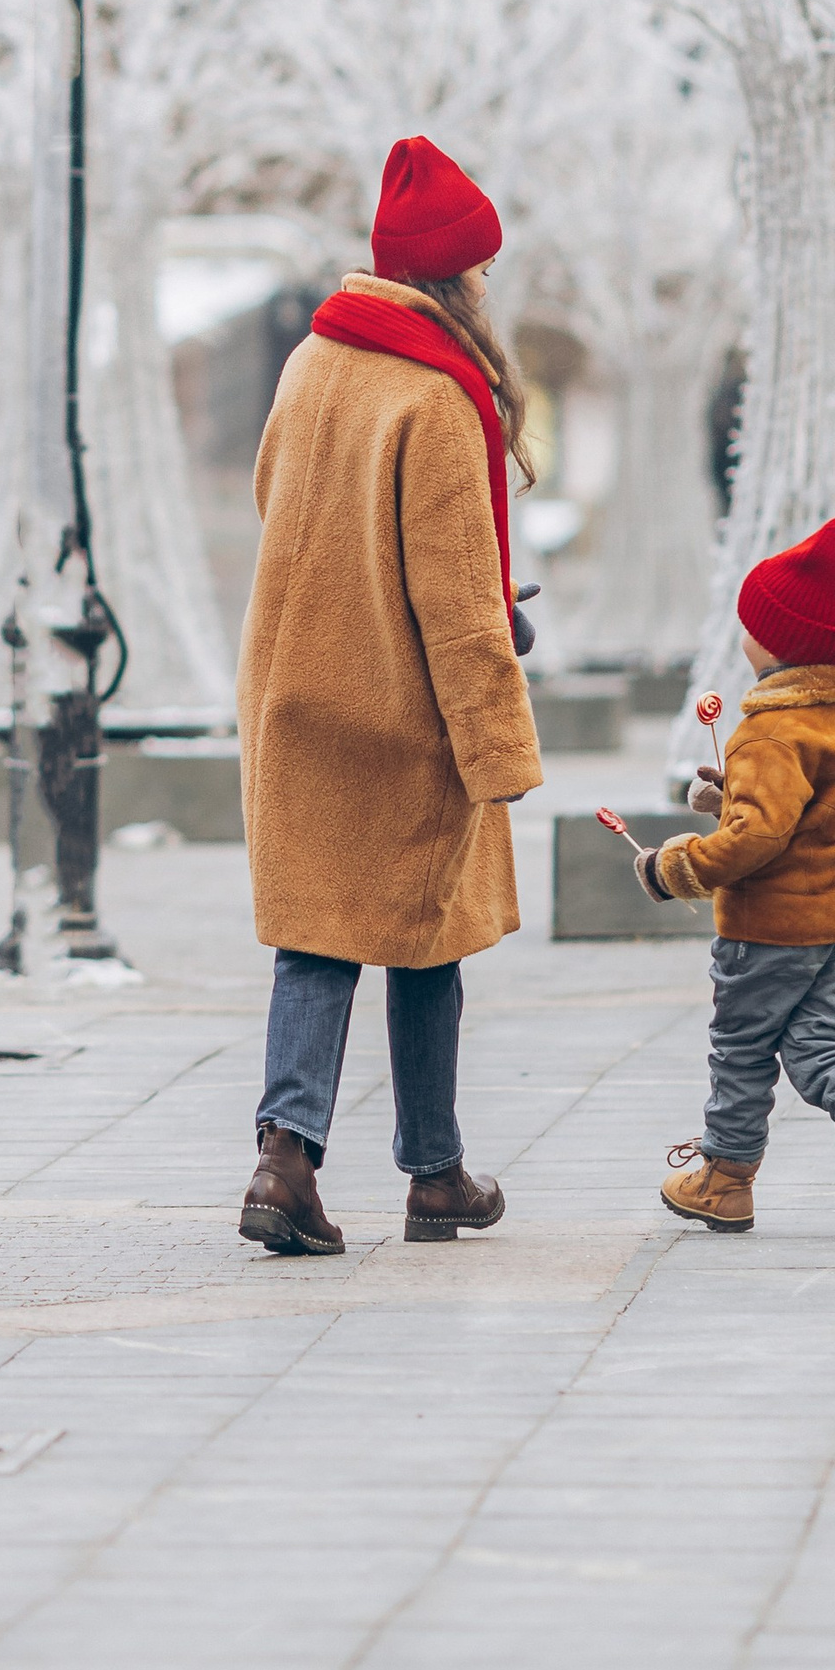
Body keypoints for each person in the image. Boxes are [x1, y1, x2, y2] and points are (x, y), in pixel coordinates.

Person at [237, 136, 546, 1258]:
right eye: (482, 270)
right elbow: (458, 603)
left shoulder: (312, 364)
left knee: (315, 936)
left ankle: (285, 1159)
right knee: (426, 937)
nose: (487, 289)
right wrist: (500, 749)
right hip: (398, 710)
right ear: (455, 276)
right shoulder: (435, 398)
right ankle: (434, 1172)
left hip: (294, 691)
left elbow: (279, 503)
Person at [642, 517, 835, 1239]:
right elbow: (804, 813)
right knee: (813, 1041)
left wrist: (674, 866)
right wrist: (734, 794)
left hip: (768, 929)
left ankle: (724, 1179)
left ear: (773, 644)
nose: (744, 635)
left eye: (752, 625)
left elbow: (760, 837)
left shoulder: (771, 731)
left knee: (741, 1049)